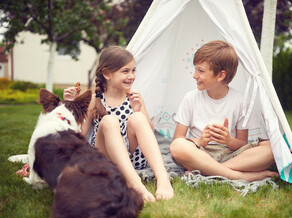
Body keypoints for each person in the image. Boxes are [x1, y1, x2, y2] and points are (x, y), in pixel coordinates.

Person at [64, 46, 173, 202]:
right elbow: (78, 135)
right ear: (107, 74)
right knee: (109, 120)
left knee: (138, 119)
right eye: (125, 71)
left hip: (132, 158)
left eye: (133, 70)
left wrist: (138, 110)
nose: (131, 76)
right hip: (104, 159)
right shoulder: (94, 100)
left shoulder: (134, 97)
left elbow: (149, 132)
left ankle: (163, 178)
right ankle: (134, 183)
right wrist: (69, 105)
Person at [170, 40, 279, 182]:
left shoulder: (240, 101)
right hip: (200, 154)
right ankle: (237, 176)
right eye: (195, 69)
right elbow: (178, 139)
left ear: (220, 75)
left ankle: (209, 171)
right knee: (177, 146)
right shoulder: (191, 98)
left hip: (231, 155)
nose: (194, 75)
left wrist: (228, 140)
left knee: (271, 148)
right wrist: (201, 141)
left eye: (200, 71)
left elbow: (241, 143)